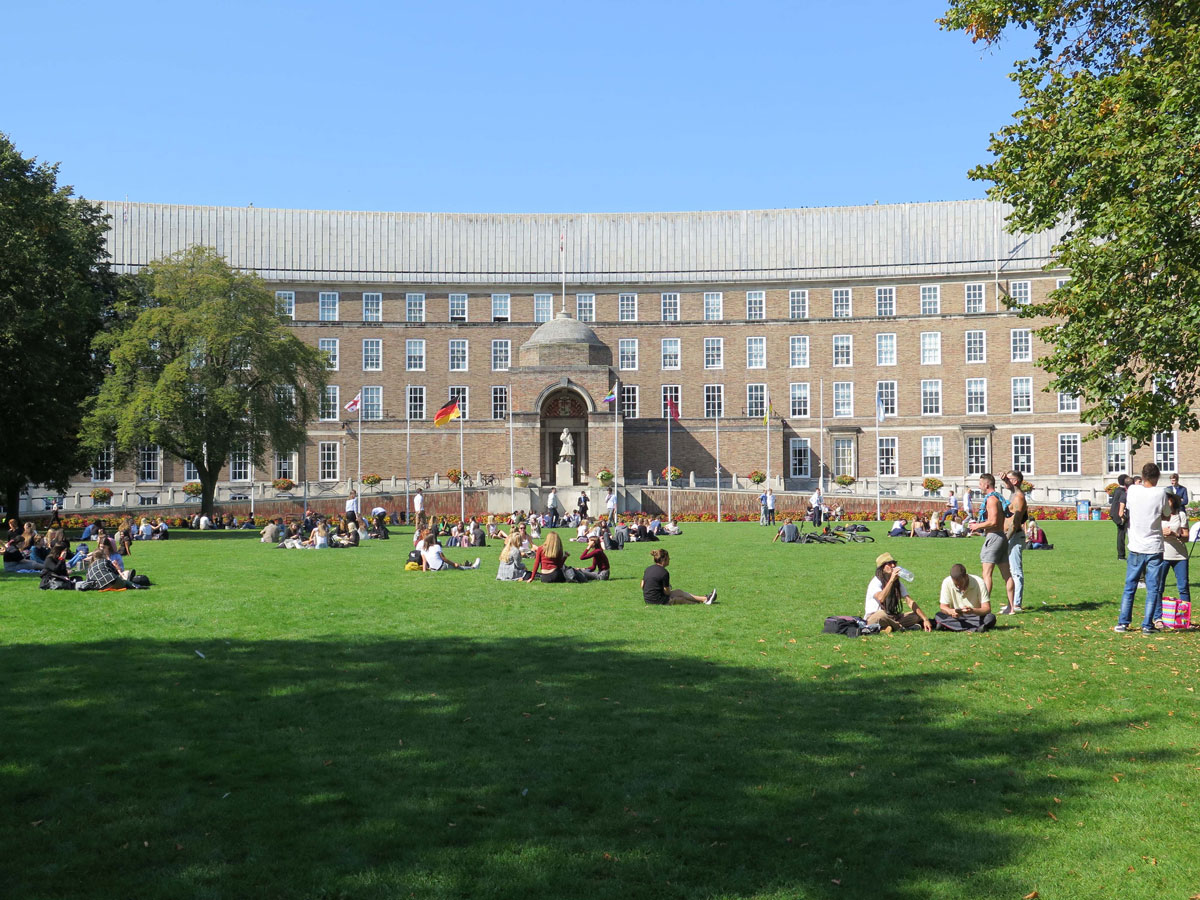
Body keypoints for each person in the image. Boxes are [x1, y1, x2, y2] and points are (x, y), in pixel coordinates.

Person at [1115, 462, 1171, 634]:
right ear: (1157, 477)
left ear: (1143, 476)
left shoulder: (1132, 490)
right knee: (1153, 587)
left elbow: (1129, 507)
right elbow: (1167, 514)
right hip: (1154, 545)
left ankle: (1123, 623)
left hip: (1136, 545)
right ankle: (1147, 625)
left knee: (1130, 585)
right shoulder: (1160, 492)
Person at [967, 474, 1015, 611]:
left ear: (987, 485)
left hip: (994, 537)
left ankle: (984, 606)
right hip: (1001, 537)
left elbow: (993, 521)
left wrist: (977, 526)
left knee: (987, 574)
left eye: (980, 484)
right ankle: (1011, 608)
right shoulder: (998, 497)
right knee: (1007, 574)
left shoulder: (992, 500)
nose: (979, 486)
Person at [865, 552, 932, 632]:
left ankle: (890, 627)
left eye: (894, 563)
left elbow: (909, 601)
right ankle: (900, 627)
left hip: (892, 616)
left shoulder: (897, 583)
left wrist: (925, 619)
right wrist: (891, 580)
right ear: (882, 567)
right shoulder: (876, 582)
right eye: (889, 564)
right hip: (875, 617)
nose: (893, 566)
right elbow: (881, 598)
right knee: (881, 614)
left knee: (916, 616)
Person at [641, 548, 715, 605]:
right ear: (664, 559)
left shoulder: (648, 569)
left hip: (647, 599)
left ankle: (704, 599)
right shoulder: (664, 572)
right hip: (658, 601)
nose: (669, 559)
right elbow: (667, 592)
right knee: (680, 599)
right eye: (668, 558)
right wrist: (668, 588)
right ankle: (699, 603)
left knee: (679, 592)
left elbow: (642, 586)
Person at [935, 563, 997, 632]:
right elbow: (943, 607)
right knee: (939, 615)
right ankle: (975, 628)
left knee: (990, 618)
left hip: (975, 616)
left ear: (966, 577)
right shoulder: (947, 582)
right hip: (956, 617)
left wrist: (972, 611)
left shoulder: (979, 582)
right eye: (956, 585)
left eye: (961, 584)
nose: (959, 587)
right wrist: (951, 612)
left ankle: (949, 626)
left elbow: (987, 608)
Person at [1002, 469, 1029, 614]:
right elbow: (1010, 485)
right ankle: (1011, 602)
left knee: (1016, 571)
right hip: (1009, 536)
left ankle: (1016, 604)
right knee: (1011, 571)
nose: (1006, 480)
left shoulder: (1019, 498)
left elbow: (1016, 522)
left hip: (1014, 537)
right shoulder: (1013, 493)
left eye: (1009, 478)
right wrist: (1004, 480)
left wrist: (1005, 539)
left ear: (1015, 481)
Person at [1160, 491, 1190, 626]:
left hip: (1180, 556)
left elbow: (1187, 537)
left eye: (1169, 500)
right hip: (1163, 555)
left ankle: (1185, 619)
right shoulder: (1158, 516)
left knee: (1183, 587)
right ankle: (1158, 617)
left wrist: (1175, 534)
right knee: (1159, 587)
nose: (1167, 503)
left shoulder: (1181, 515)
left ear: (1173, 501)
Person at [1110, 475, 1129, 560]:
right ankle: (1121, 555)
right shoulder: (1122, 492)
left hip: (1114, 514)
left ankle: (1121, 555)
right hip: (1119, 515)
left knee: (1121, 535)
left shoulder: (1117, 490)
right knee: (1121, 535)